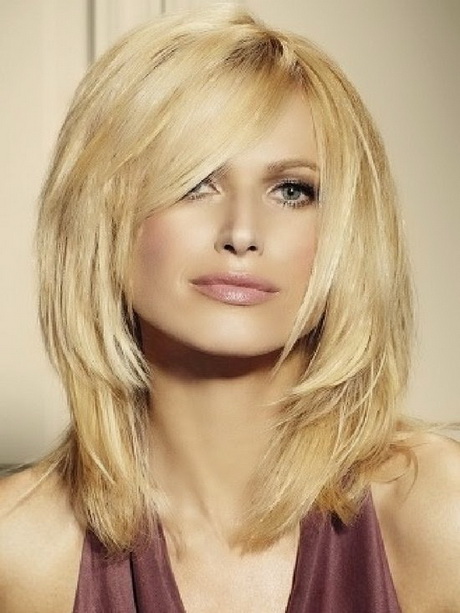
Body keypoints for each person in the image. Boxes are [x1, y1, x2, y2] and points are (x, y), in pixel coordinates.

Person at [1, 3, 459, 612]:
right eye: (194, 182)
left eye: (292, 190)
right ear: (101, 218)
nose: (242, 232)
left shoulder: (440, 515)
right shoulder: (19, 553)